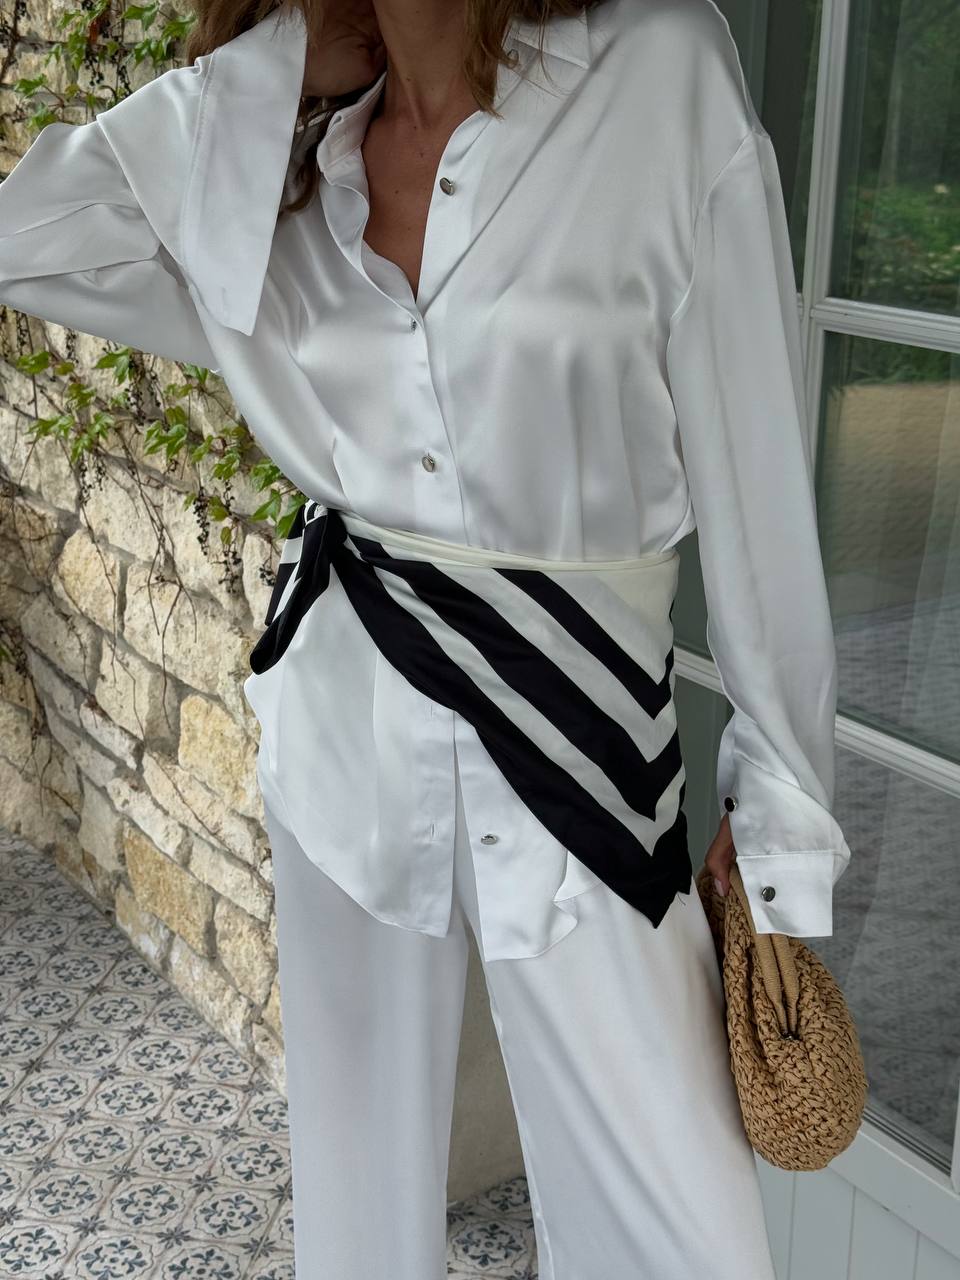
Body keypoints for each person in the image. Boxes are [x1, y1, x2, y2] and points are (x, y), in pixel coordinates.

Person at [0, 0, 852, 1275]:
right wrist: (272, 70)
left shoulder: (662, 70)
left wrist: (784, 819)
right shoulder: (267, 156)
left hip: (587, 752)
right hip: (349, 730)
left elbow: (758, 481)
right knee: (358, 1210)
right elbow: (20, 237)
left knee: (687, 1238)